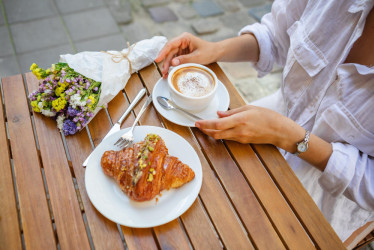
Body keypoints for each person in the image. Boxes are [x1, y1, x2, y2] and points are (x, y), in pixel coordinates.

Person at [155, 0, 374, 242]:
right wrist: (215, 49)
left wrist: (289, 136)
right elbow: (276, 35)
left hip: (325, 202)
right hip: (274, 123)